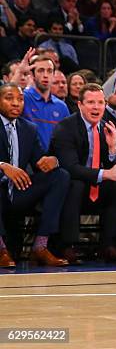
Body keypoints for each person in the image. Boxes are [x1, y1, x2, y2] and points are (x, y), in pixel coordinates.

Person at [48, 83, 116, 264]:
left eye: (100, 103)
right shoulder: (65, 128)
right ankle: (67, 246)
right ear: (80, 105)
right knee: (74, 184)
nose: (96, 107)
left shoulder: (107, 127)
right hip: (68, 188)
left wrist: (112, 147)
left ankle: (110, 246)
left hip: (94, 187)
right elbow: (71, 167)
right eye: (91, 102)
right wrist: (106, 173)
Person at [0, 83, 70, 268]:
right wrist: (3, 166)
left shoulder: (29, 128)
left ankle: (40, 246)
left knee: (60, 176)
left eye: (20, 99)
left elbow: (40, 162)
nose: (16, 103)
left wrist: (53, 161)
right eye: (9, 98)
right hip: (1, 189)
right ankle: (1, 250)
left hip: (19, 191)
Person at [22, 52, 70, 151]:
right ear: (32, 74)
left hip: (53, 162)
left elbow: (66, 140)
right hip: (27, 163)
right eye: (41, 71)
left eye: (49, 71)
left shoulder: (61, 106)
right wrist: (19, 72)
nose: (45, 75)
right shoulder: (23, 97)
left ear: (53, 75)